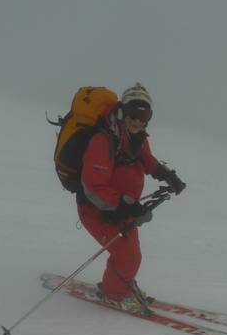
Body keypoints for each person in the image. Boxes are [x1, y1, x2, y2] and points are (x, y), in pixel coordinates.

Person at [77, 82, 186, 311]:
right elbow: (93, 186)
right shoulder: (104, 140)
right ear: (122, 111)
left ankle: (119, 284)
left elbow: (147, 159)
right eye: (133, 113)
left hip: (122, 209)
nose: (138, 120)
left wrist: (167, 175)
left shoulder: (137, 138)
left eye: (144, 115)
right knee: (128, 255)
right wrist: (126, 204)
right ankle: (114, 294)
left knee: (130, 255)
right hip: (97, 210)